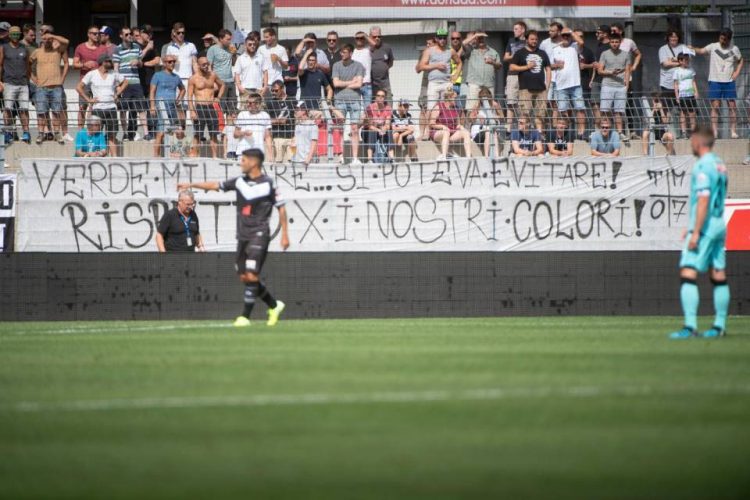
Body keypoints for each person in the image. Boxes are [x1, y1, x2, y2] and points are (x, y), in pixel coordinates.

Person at [178, 148, 289, 328]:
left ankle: (245, 317)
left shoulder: (269, 184)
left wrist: (284, 235)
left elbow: (281, 208)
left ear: (254, 162)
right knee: (245, 276)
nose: (241, 163)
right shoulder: (239, 182)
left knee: (252, 273)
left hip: (260, 234)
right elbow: (216, 186)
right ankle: (274, 305)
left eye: (243, 160)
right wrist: (191, 185)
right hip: (243, 236)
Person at [668, 125, 730, 339]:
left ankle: (690, 326)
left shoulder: (703, 166)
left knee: (688, 270)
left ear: (698, 141)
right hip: (719, 223)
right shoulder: (720, 164)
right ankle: (719, 326)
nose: (691, 143)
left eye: (692, 139)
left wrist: (695, 231)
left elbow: (703, 199)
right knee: (717, 273)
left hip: (705, 226)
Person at [691, 29, 744, 139]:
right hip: (715, 80)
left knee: (732, 106)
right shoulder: (713, 46)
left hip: (729, 81)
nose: (722, 41)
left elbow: (740, 60)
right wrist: (691, 48)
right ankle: (714, 131)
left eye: (725, 39)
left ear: (729, 39)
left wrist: (736, 72)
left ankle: (733, 132)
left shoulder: (734, 49)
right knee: (715, 106)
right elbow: (701, 51)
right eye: (721, 38)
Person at [77, 53, 128, 157]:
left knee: (112, 135)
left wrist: (117, 94)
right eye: (108, 61)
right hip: (98, 109)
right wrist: (88, 100)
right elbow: (79, 87)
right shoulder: (92, 74)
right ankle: (97, 156)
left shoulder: (114, 73)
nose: (111, 63)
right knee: (96, 135)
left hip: (111, 108)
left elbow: (126, 82)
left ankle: (114, 158)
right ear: (102, 62)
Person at [29, 26, 68, 145]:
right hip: (41, 87)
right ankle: (41, 134)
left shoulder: (58, 49)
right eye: (44, 38)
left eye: (48, 38)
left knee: (56, 112)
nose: (46, 40)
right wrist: (33, 78)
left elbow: (66, 42)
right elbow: (28, 64)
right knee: (41, 112)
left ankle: (57, 133)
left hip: (56, 86)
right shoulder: (37, 51)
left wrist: (62, 79)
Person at [510, 30, 550, 133]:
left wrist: (547, 85)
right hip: (525, 88)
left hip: (541, 89)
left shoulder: (542, 53)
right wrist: (527, 66)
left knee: (541, 114)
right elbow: (512, 67)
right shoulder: (520, 53)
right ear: (527, 40)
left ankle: (540, 136)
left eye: (536, 39)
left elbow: (548, 69)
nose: (534, 41)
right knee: (525, 114)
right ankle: (525, 136)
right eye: (532, 39)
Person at [332, 43, 365, 165]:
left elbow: (359, 84)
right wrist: (351, 81)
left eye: (344, 52)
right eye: (341, 52)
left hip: (355, 100)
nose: (342, 54)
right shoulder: (336, 65)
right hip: (340, 100)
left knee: (355, 129)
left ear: (350, 53)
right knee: (340, 128)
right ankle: (341, 157)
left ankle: (355, 158)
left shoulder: (358, 66)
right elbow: (335, 84)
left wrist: (344, 83)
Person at [113, 26, 147, 142]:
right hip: (124, 83)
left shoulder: (137, 47)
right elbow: (116, 69)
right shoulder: (117, 49)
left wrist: (138, 62)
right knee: (123, 110)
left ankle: (146, 133)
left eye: (130, 34)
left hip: (136, 82)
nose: (129, 36)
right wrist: (117, 85)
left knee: (141, 109)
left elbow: (141, 63)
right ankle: (125, 133)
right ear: (121, 36)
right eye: (126, 34)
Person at [552, 28, 586, 140]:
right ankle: (567, 133)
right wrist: (556, 66)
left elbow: (581, 42)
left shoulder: (575, 47)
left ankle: (581, 133)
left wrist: (571, 32)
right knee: (563, 111)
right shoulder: (555, 49)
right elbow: (549, 65)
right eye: (563, 35)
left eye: (568, 36)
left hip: (575, 84)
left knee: (580, 108)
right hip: (561, 85)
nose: (566, 37)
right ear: (560, 36)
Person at [188, 55, 225, 158]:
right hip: (199, 107)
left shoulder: (212, 75)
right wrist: (192, 111)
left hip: (211, 106)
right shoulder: (193, 79)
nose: (206, 66)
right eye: (204, 64)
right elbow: (189, 96)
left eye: (207, 64)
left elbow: (222, 85)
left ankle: (214, 156)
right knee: (198, 133)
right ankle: (195, 154)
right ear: (198, 65)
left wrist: (219, 97)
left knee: (213, 133)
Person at [0, 26, 31, 144]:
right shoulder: (4, 48)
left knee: (24, 109)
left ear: (20, 35)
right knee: (7, 109)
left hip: (23, 84)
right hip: (8, 83)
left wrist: (27, 79)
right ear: (9, 34)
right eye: (13, 34)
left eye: (17, 34)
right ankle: (8, 132)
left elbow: (28, 65)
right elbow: (0, 65)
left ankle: (26, 132)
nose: (15, 36)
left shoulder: (24, 48)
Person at [598, 33, 631, 142]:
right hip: (607, 84)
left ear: (620, 42)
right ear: (609, 42)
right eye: (612, 42)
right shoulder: (604, 54)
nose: (614, 44)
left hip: (620, 86)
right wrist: (610, 72)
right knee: (605, 110)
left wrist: (626, 85)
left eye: (616, 42)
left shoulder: (626, 54)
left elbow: (627, 70)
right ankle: (604, 131)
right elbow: (600, 70)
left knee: (619, 111)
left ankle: (620, 132)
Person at [72, 25, 107, 129]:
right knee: (82, 107)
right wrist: (84, 65)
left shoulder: (103, 48)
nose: (97, 36)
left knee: (97, 108)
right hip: (85, 81)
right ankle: (80, 131)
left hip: (99, 82)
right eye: (95, 33)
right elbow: (75, 64)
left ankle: (95, 132)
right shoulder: (80, 47)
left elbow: (107, 65)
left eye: (99, 34)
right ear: (88, 34)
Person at [150, 55, 185, 157]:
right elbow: (152, 91)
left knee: (175, 130)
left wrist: (179, 99)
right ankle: (156, 156)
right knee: (161, 132)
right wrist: (152, 106)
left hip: (172, 106)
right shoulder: (157, 75)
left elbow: (183, 89)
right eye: (169, 62)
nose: (172, 63)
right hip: (161, 105)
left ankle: (173, 154)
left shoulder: (176, 77)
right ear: (164, 63)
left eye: (173, 61)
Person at [417, 28, 461, 108]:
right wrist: (436, 66)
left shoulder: (450, 51)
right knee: (431, 108)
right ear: (436, 39)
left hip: (447, 83)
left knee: (448, 109)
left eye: (444, 38)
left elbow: (459, 62)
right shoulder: (429, 51)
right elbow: (421, 66)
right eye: (440, 38)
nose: (442, 40)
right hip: (434, 83)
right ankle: (431, 121)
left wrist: (456, 75)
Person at [165, 22, 198, 127]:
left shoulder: (191, 45)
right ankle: (182, 129)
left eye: (183, 33)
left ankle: (196, 132)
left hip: (189, 79)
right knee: (178, 105)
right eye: (178, 33)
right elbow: (167, 66)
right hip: (175, 79)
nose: (181, 35)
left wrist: (197, 77)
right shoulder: (170, 48)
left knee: (191, 105)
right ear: (174, 33)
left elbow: (194, 63)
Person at [428, 89, 471, 160]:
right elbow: (431, 124)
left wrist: (460, 127)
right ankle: (444, 156)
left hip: (451, 132)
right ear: (449, 98)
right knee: (446, 132)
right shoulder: (439, 106)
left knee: (465, 133)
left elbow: (457, 124)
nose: (457, 100)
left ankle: (469, 157)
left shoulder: (456, 108)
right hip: (438, 132)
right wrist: (442, 126)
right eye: (455, 98)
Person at [462, 32, 501, 102]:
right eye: (478, 38)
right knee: (472, 109)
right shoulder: (471, 50)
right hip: (474, 84)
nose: (481, 40)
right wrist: (475, 36)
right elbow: (463, 43)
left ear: (486, 39)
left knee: (489, 109)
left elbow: (499, 66)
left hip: (489, 84)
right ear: (475, 39)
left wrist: (493, 62)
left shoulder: (493, 52)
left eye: (482, 38)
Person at [234, 92, 273, 160]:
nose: (247, 105)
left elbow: (268, 137)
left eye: (250, 103)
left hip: (258, 154)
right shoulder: (242, 114)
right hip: (243, 153)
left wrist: (271, 156)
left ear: (258, 104)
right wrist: (244, 133)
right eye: (247, 102)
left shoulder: (265, 115)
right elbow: (235, 134)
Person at [503, 21, 527, 133]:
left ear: (523, 30)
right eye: (514, 29)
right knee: (511, 101)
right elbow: (505, 57)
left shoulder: (528, 42)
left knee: (523, 103)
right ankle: (508, 129)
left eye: (516, 29)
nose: (514, 31)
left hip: (524, 75)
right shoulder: (511, 41)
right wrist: (515, 55)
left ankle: (521, 128)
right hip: (512, 75)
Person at [138, 25, 159, 141]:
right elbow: (137, 58)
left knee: (152, 106)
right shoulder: (137, 46)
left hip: (150, 80)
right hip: (138, 80)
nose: (149, 36)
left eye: (150, 34)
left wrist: (144, 64)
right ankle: (140, 133)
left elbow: (157, 60)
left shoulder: (153, 46)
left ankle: (153, 131)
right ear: (141, 33)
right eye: (147, 33)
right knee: (140, 107)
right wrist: (146, 50)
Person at [658, 30, 687, 116]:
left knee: (683, 108)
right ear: (668, 38)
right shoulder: (663, 49)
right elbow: (665, 63)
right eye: (671, 36)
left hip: (682, 83)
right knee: (666, 107)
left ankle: (683, 129)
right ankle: (666, 127)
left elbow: (687, 61)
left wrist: (672, 60)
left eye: (675, 36)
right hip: (667, 83)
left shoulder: (683, 47)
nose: (673, 38)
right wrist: (679, 62)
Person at [468, 87, 503, 157]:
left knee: (493, 132)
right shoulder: (477, 105)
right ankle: (486, 156)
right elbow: (470, 118)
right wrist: (477, 116)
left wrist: (494, 117)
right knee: (488, 132)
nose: (484, 99)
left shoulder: (494, 105)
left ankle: (496, 156)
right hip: (479, 132)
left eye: (486, 97)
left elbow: (502, 117)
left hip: (490, 130)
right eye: (482, 97)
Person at [207, 29, 236, 114]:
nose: (229, 41)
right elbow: (209, 67)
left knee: (232, 110)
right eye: (228, 39)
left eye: (230, 39)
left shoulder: (230, 48)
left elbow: (234, 63)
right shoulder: (213, 49)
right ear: (220, 38)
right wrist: (212, 81)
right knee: (220, 110)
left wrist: (234, 54)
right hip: (219, 82)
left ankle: (230, 127)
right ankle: (220, 127)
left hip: (230, 81)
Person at [234, 35, 268, 106]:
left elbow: (265, 72)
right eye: (250, 44)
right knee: (245, 112)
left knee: (260, 111)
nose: (252, 46)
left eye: (254, 44)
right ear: (245, 45)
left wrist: (265, 86)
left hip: (258, 89)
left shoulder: (261, 57)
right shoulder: (240, 58)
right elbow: (237, 74)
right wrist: (239, 86)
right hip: (245, 90)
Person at [265, 80, 295, 161]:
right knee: (278, 163)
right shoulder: (270, 103)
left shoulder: (292, 101)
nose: (274, 93)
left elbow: (295, 117)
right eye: (272, 91)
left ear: (282, 89)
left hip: (290, 137)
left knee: (291, 163)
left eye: (276, 90)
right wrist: (278, 121)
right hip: (276, 137)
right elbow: (265, 120)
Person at [363, 89, 394, 163]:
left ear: (385, 98)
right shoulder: (370, 108)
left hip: (381, 131)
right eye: (378, 96)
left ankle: (391, 158)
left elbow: (388, 124)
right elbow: (370, 126)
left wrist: (384, 128)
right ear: (375, 97)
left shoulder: (388, 108)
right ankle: (370, 159)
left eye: (382, 96)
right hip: (368, 131)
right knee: (372, 131)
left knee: (389, 131)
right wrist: (379, 130)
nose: (380, 98)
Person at [590, 25, 611, 130]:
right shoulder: (598, 45)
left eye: (598, 33)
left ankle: (606, 128)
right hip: (596, 80)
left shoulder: (611, 46)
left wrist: (602, 67)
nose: (596, 35)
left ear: (605, 34)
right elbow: (596, 63)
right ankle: (597, 128)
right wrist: (592, 79)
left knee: (606, 107)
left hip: (607, 81)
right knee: (594, 103)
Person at [642, 92, 675, 156]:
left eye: (657, 101)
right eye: (655, 101)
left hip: (662, 131)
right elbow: (648, 121)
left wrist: (661, 110)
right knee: (645, 134)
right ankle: (645, 154)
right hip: (652, 131)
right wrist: (654, 110)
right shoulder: (650, 110)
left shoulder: (666, 111)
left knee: (670, 136)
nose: (656, 103)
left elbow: (665, 122)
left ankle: (669, 154)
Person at [674, 53, 698, 139]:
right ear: (680, 61)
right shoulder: (677, 71)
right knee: (683, 114)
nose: (687, 61)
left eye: (688, 60)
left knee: (692, 114)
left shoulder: (691, 70)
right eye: (685, 60)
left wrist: (696, 92)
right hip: (682, 95)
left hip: (690, 94)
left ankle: (693, 133)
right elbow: (676, 84)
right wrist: (677, 96)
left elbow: (693, 81)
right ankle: (683, 132)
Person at [259, 28, 289, 96]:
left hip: (277, 81)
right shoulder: (261, 49)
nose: (265, 39)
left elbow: (286, 66)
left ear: (273, 37)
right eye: (264, 37)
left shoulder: (281, 49)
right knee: (266, 104)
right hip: (265, 82)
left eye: (267, 37)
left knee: (278, 104)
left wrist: (278, 59)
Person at [368, 26, 394, 100]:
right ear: (369, 37)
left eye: (379, 36)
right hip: (372, 84)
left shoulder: (387, 48)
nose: (377, 38)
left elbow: (390, 62)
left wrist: (384, 69)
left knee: (388, 104)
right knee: (374, 106)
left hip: (385, 83)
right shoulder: (367, 50)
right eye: (374, 36)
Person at [352, 31, 373, 104]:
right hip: (355, 84)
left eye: (362, 38)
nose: (359, 40)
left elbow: (374, 45)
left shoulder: (368, 50)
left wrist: (365, 35)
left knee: (367, 110)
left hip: (366, 84)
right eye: (357, 38)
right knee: (355, 109)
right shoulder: (352, 51)